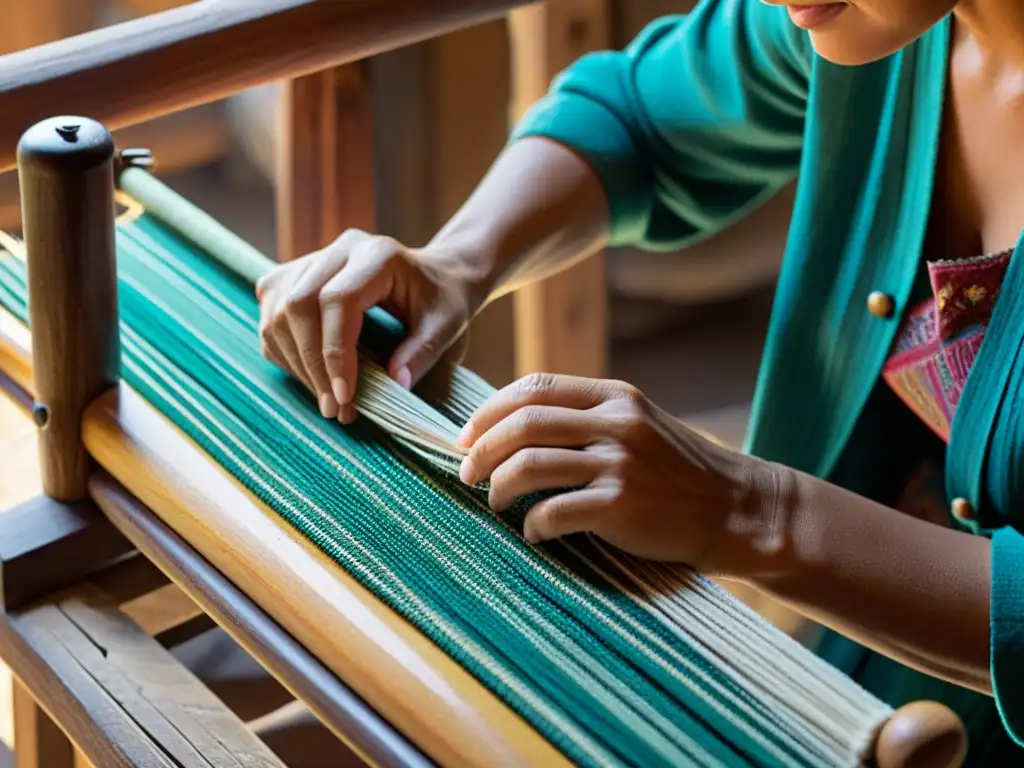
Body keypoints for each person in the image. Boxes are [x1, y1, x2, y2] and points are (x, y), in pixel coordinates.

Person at [255, 0, 1024, 761]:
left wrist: (747, 509)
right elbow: (636, 121)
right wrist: (454, 262)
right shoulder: (891, 23)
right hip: (872, 662)